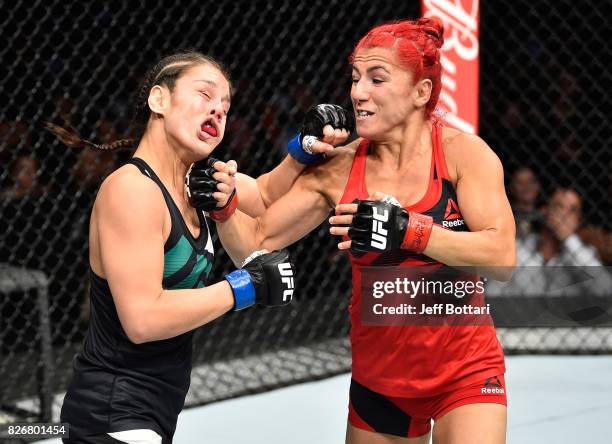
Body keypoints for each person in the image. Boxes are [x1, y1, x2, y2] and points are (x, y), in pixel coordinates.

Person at [195, 18, 516, 443]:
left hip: (465, 372)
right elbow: (255, 243)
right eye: (355, 77)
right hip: (380, 381)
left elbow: (502, 258)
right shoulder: (341, 167)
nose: (358, 92)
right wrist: (223, 206)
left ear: (422, 91)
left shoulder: (462, 155)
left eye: (377, 78)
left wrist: (409, 231)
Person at [45, 52, 297, 444]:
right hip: (115, 412)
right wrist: (244, 288)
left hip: (151, 408)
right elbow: (142, 320)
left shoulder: (197, 184)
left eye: (225, 108)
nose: (216, 109)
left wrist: (306, 146)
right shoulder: (132, 190)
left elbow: (267, 195)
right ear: (159, 100)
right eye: (204, 94)